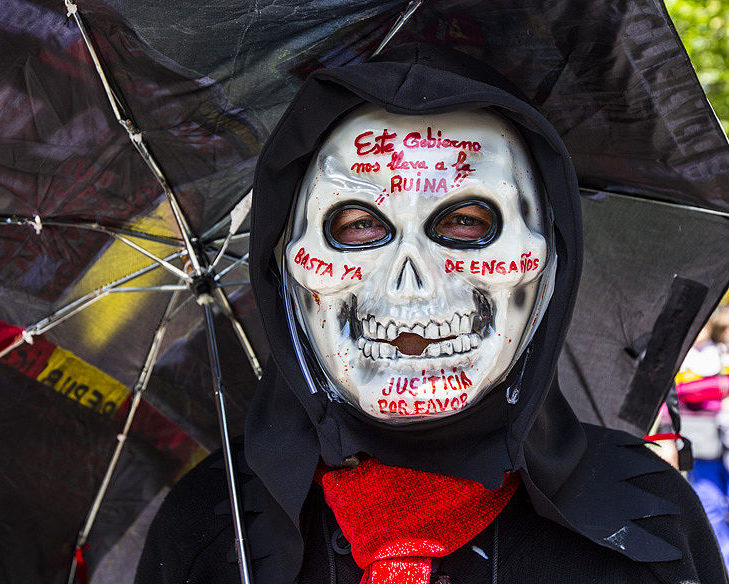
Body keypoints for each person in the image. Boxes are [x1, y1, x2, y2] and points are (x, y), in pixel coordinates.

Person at [135, 44, 726, 583]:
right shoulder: (216, 527)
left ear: (545, 257)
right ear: (289, 264)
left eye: (466, 222)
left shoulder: (647, 523)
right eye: (359, 226)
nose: (411, 285)